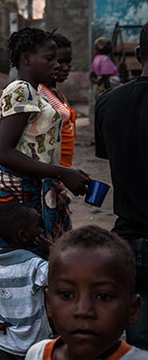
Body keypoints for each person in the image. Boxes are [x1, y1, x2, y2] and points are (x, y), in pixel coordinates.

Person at [0, 27, 90, 253]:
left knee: (37, 265)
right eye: (50, 59)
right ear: (27, 58)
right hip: (13, 193)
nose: (57, 65)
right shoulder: (20, 90)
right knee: (19, 267)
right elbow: (2, 152)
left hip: (30, 188)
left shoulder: (35, 91)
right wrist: (60, 173)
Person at [94, 22, 148, 349]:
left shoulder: (108, 103)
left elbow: (109, 156)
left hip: (129, 240)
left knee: (139, 339)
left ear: (138, 55)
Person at [26, 226, 147, 360]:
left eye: (103, 296)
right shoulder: (37, 354)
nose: (83, 311)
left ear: (133, 309)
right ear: (48, 304)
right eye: (67, 295)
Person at [0, 203, 52, 360]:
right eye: (38, 226)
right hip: (36, 342)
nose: (41, 230)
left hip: (6, 343)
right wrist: (53, 249)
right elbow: (61, 275)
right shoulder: (35, 266)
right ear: (23, 235)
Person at [38, 34, 77, 168]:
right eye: (60, 62)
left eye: (69, 62)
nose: (66, 68)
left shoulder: (55, 91)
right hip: (51, 168)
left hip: (62, 167)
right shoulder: (40, 93)